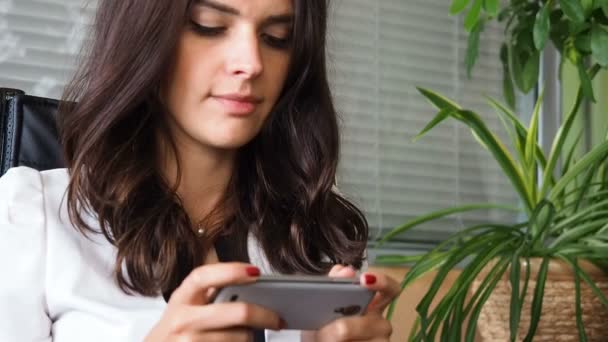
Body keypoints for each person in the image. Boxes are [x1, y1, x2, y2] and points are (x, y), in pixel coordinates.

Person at [0, 0, 399, 341]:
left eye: (277, 36)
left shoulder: (318, 234)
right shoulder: (33, 216)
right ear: (144, 36)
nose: (251, 63)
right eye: (209, 26)